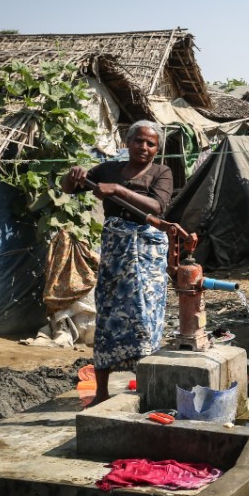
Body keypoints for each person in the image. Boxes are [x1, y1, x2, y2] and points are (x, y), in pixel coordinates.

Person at [62, 121, 174, 406]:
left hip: (147, 254)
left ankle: (146, 387)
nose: (144, 148)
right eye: (139, 141)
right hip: (115, 253)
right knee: (110, 315)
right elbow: (69, 187)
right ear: (128, 141)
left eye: (151, 144)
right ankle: (101, 390)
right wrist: (73, 175)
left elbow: (158, 207)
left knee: (144, 316)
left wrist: (119, 191)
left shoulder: (162, 172)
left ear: (157, 149)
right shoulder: (108, 169)